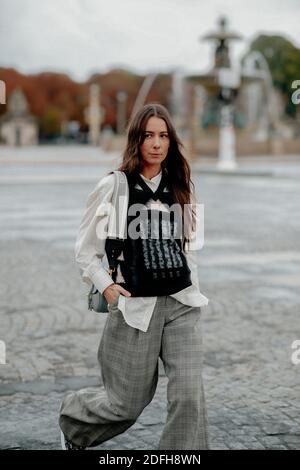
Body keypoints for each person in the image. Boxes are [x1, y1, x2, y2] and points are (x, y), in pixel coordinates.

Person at [59, 103, 210, 450]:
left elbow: (187, 247)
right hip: (135, 309)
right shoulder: (115, 187)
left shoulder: (181, 186)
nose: (156, 144)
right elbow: (86, 251)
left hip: (182, 305)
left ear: (171, 141)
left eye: (163, 136)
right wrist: (108, 287)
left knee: (189, 397)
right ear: (136, 141)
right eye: (148, 136)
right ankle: (73, 424)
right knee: (123, 404)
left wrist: (195, 290)